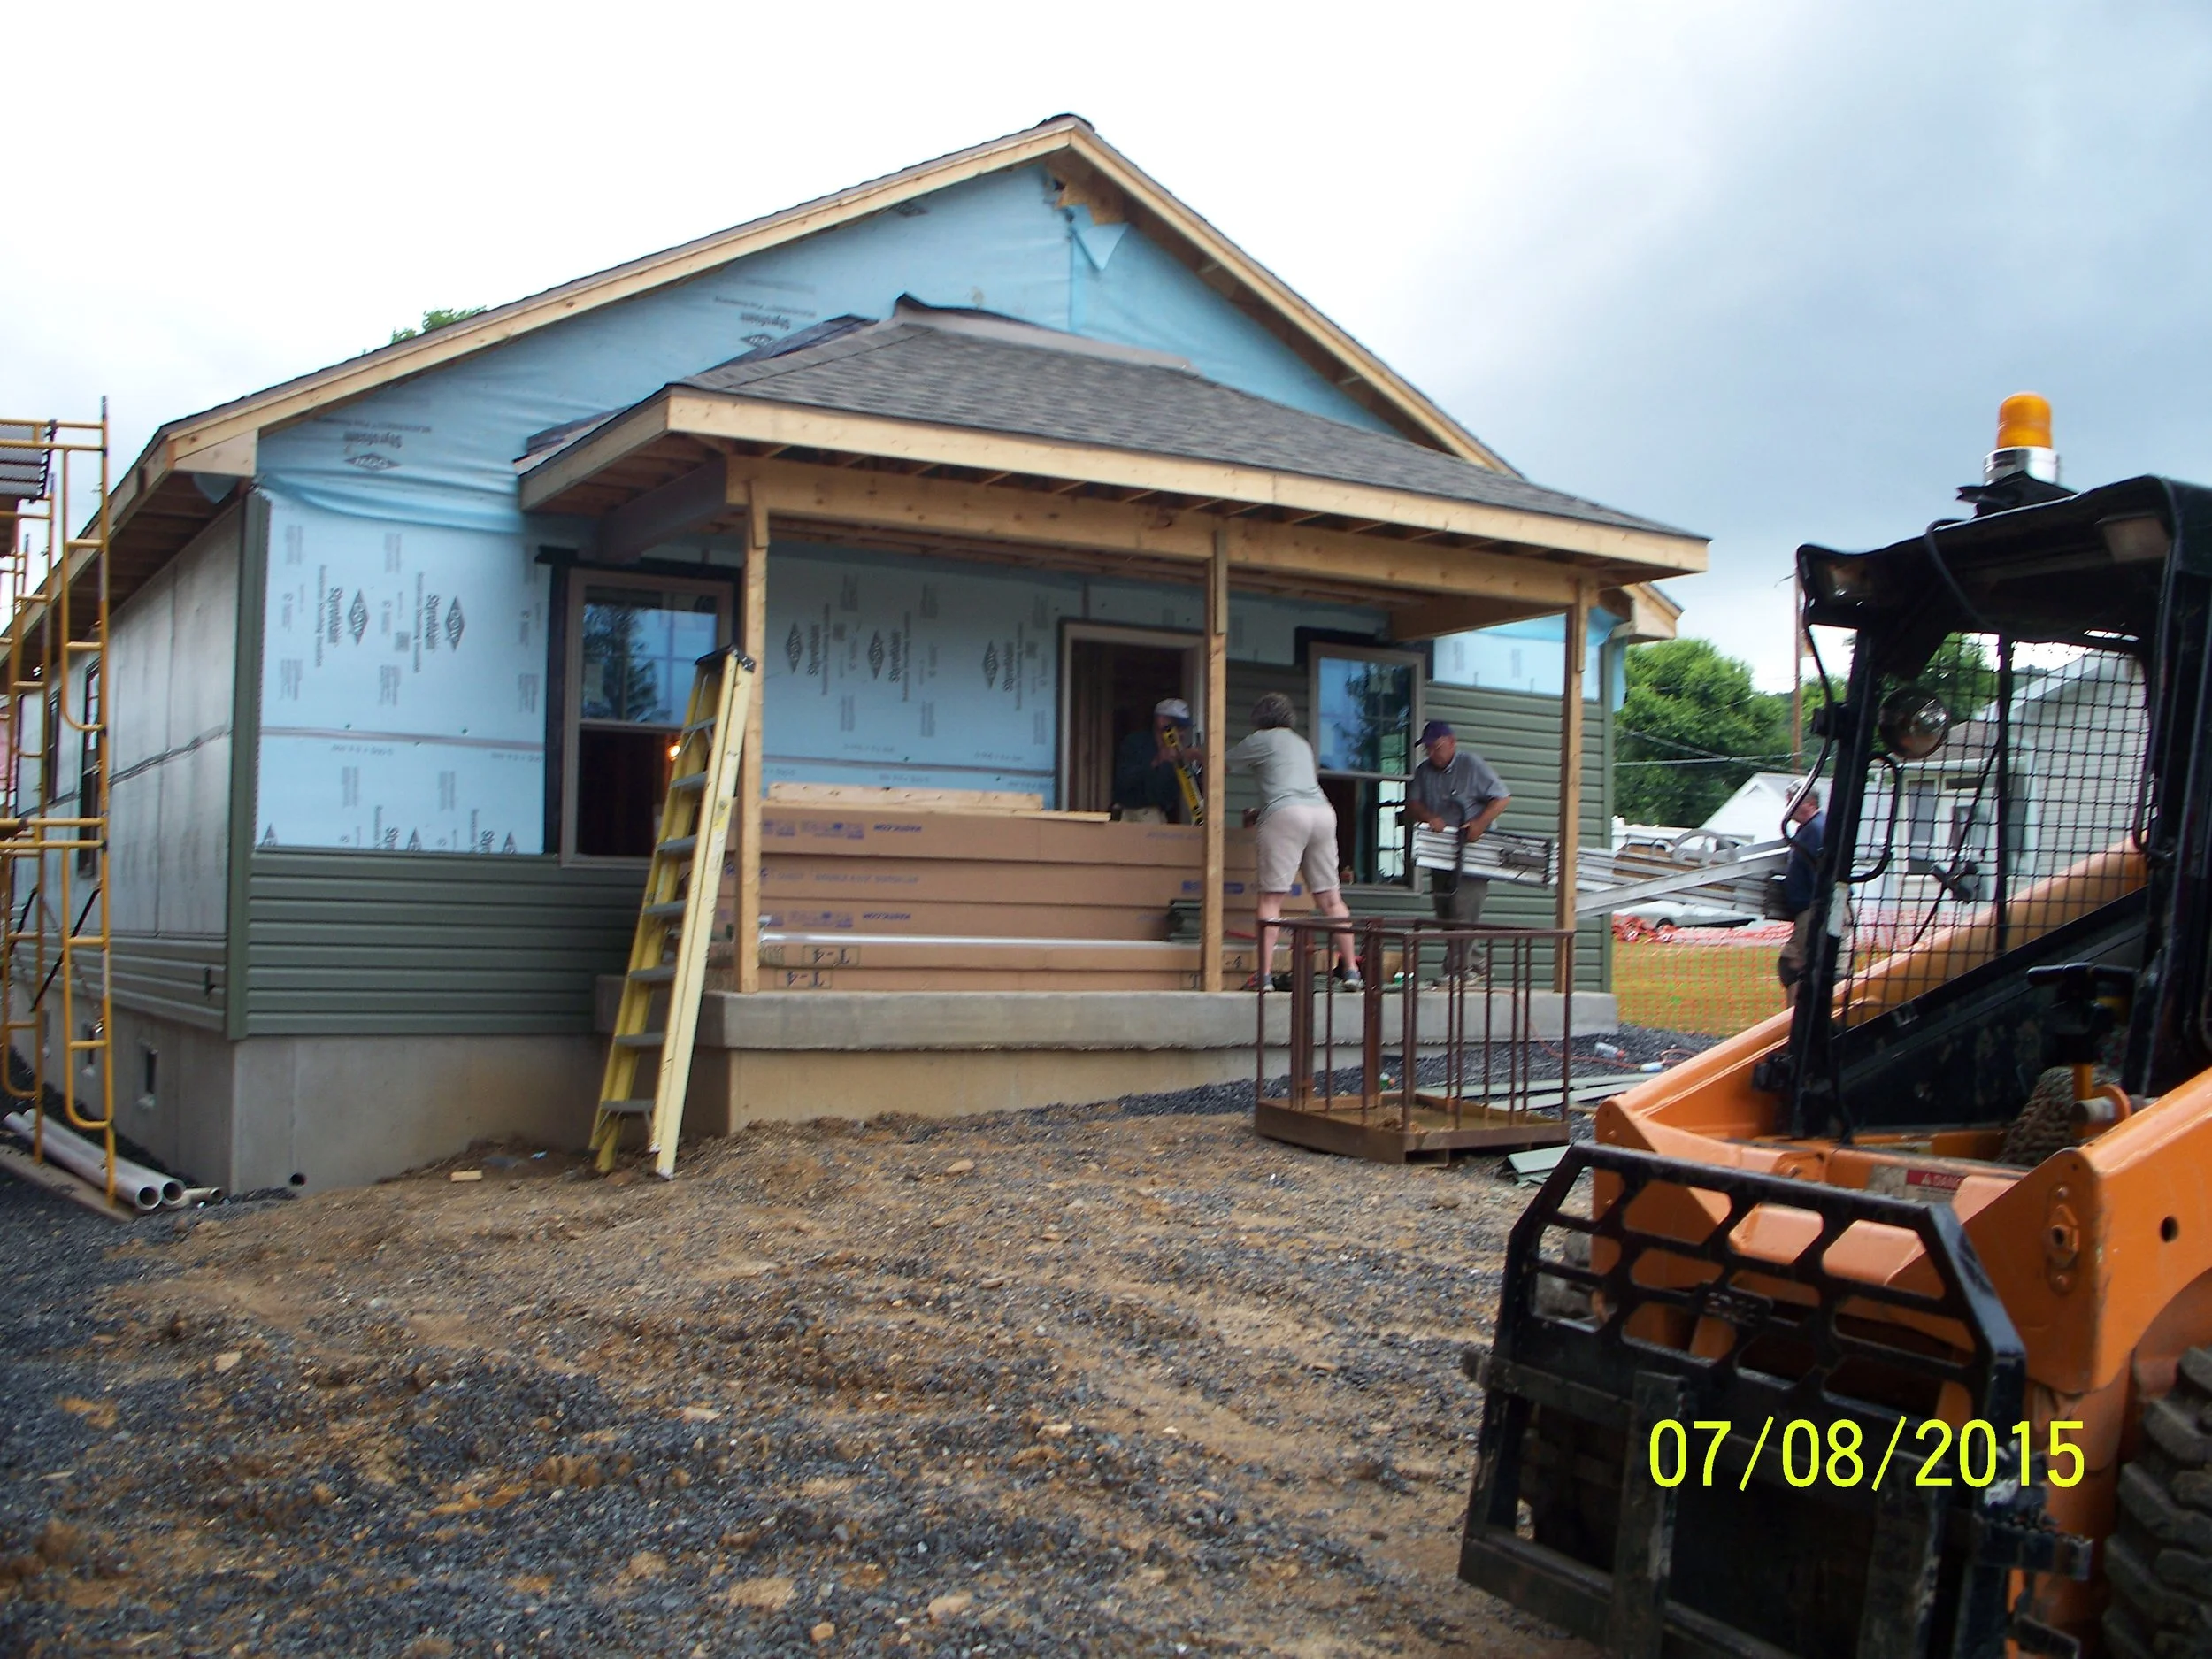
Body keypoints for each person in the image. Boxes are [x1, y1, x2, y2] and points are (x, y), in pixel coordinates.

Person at [1224, 693, 1360, 989]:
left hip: (1286, 813)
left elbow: (1220, 764)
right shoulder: (1302, 743)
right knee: (1331, 900)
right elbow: (1295, 788)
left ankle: (1265, 975)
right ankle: (1351, 970)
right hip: (1323, 813)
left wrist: (1194, 755)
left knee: (1271, 899)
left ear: (1259, 719)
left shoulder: (1261, 739)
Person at [1404, 720, 1510, 979]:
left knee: (1465, 907)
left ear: (1452, 742)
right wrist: (1429, 816)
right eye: (1427, 749)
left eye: (1436, 747)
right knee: (1445, 910)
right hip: (1441, 853)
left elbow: (1502, 797)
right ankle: (1475, 965)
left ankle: (1459, 969)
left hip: (1472, 852)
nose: (1431, 753)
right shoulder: (1424, 772)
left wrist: (1479, 824)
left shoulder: (1471, 764)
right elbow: (1412, 803)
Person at [1776, 781, 1825, 1006]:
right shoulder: (1808, 830)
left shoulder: (1816, 830)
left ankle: (1802, 1024)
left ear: (1810, 803)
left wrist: (1820, 910)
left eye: (1794, 802)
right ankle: (1795, 1024)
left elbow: (1823, 873)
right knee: (1791, 965)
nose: (1789, 807)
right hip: (1809, 909)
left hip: (1815, 909)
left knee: (1800, 967)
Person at [1112, 698, 1198, 824]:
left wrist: (1202, 763)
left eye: (1185, 728)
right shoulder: (1135, 743)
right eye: (1179, 726)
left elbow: (1176, 794)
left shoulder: (1176, 751)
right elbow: (1123, 780)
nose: (1182, 733)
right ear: (1161, 721)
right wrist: (1157, 761)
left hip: (1158, 815)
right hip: (1130, 814)